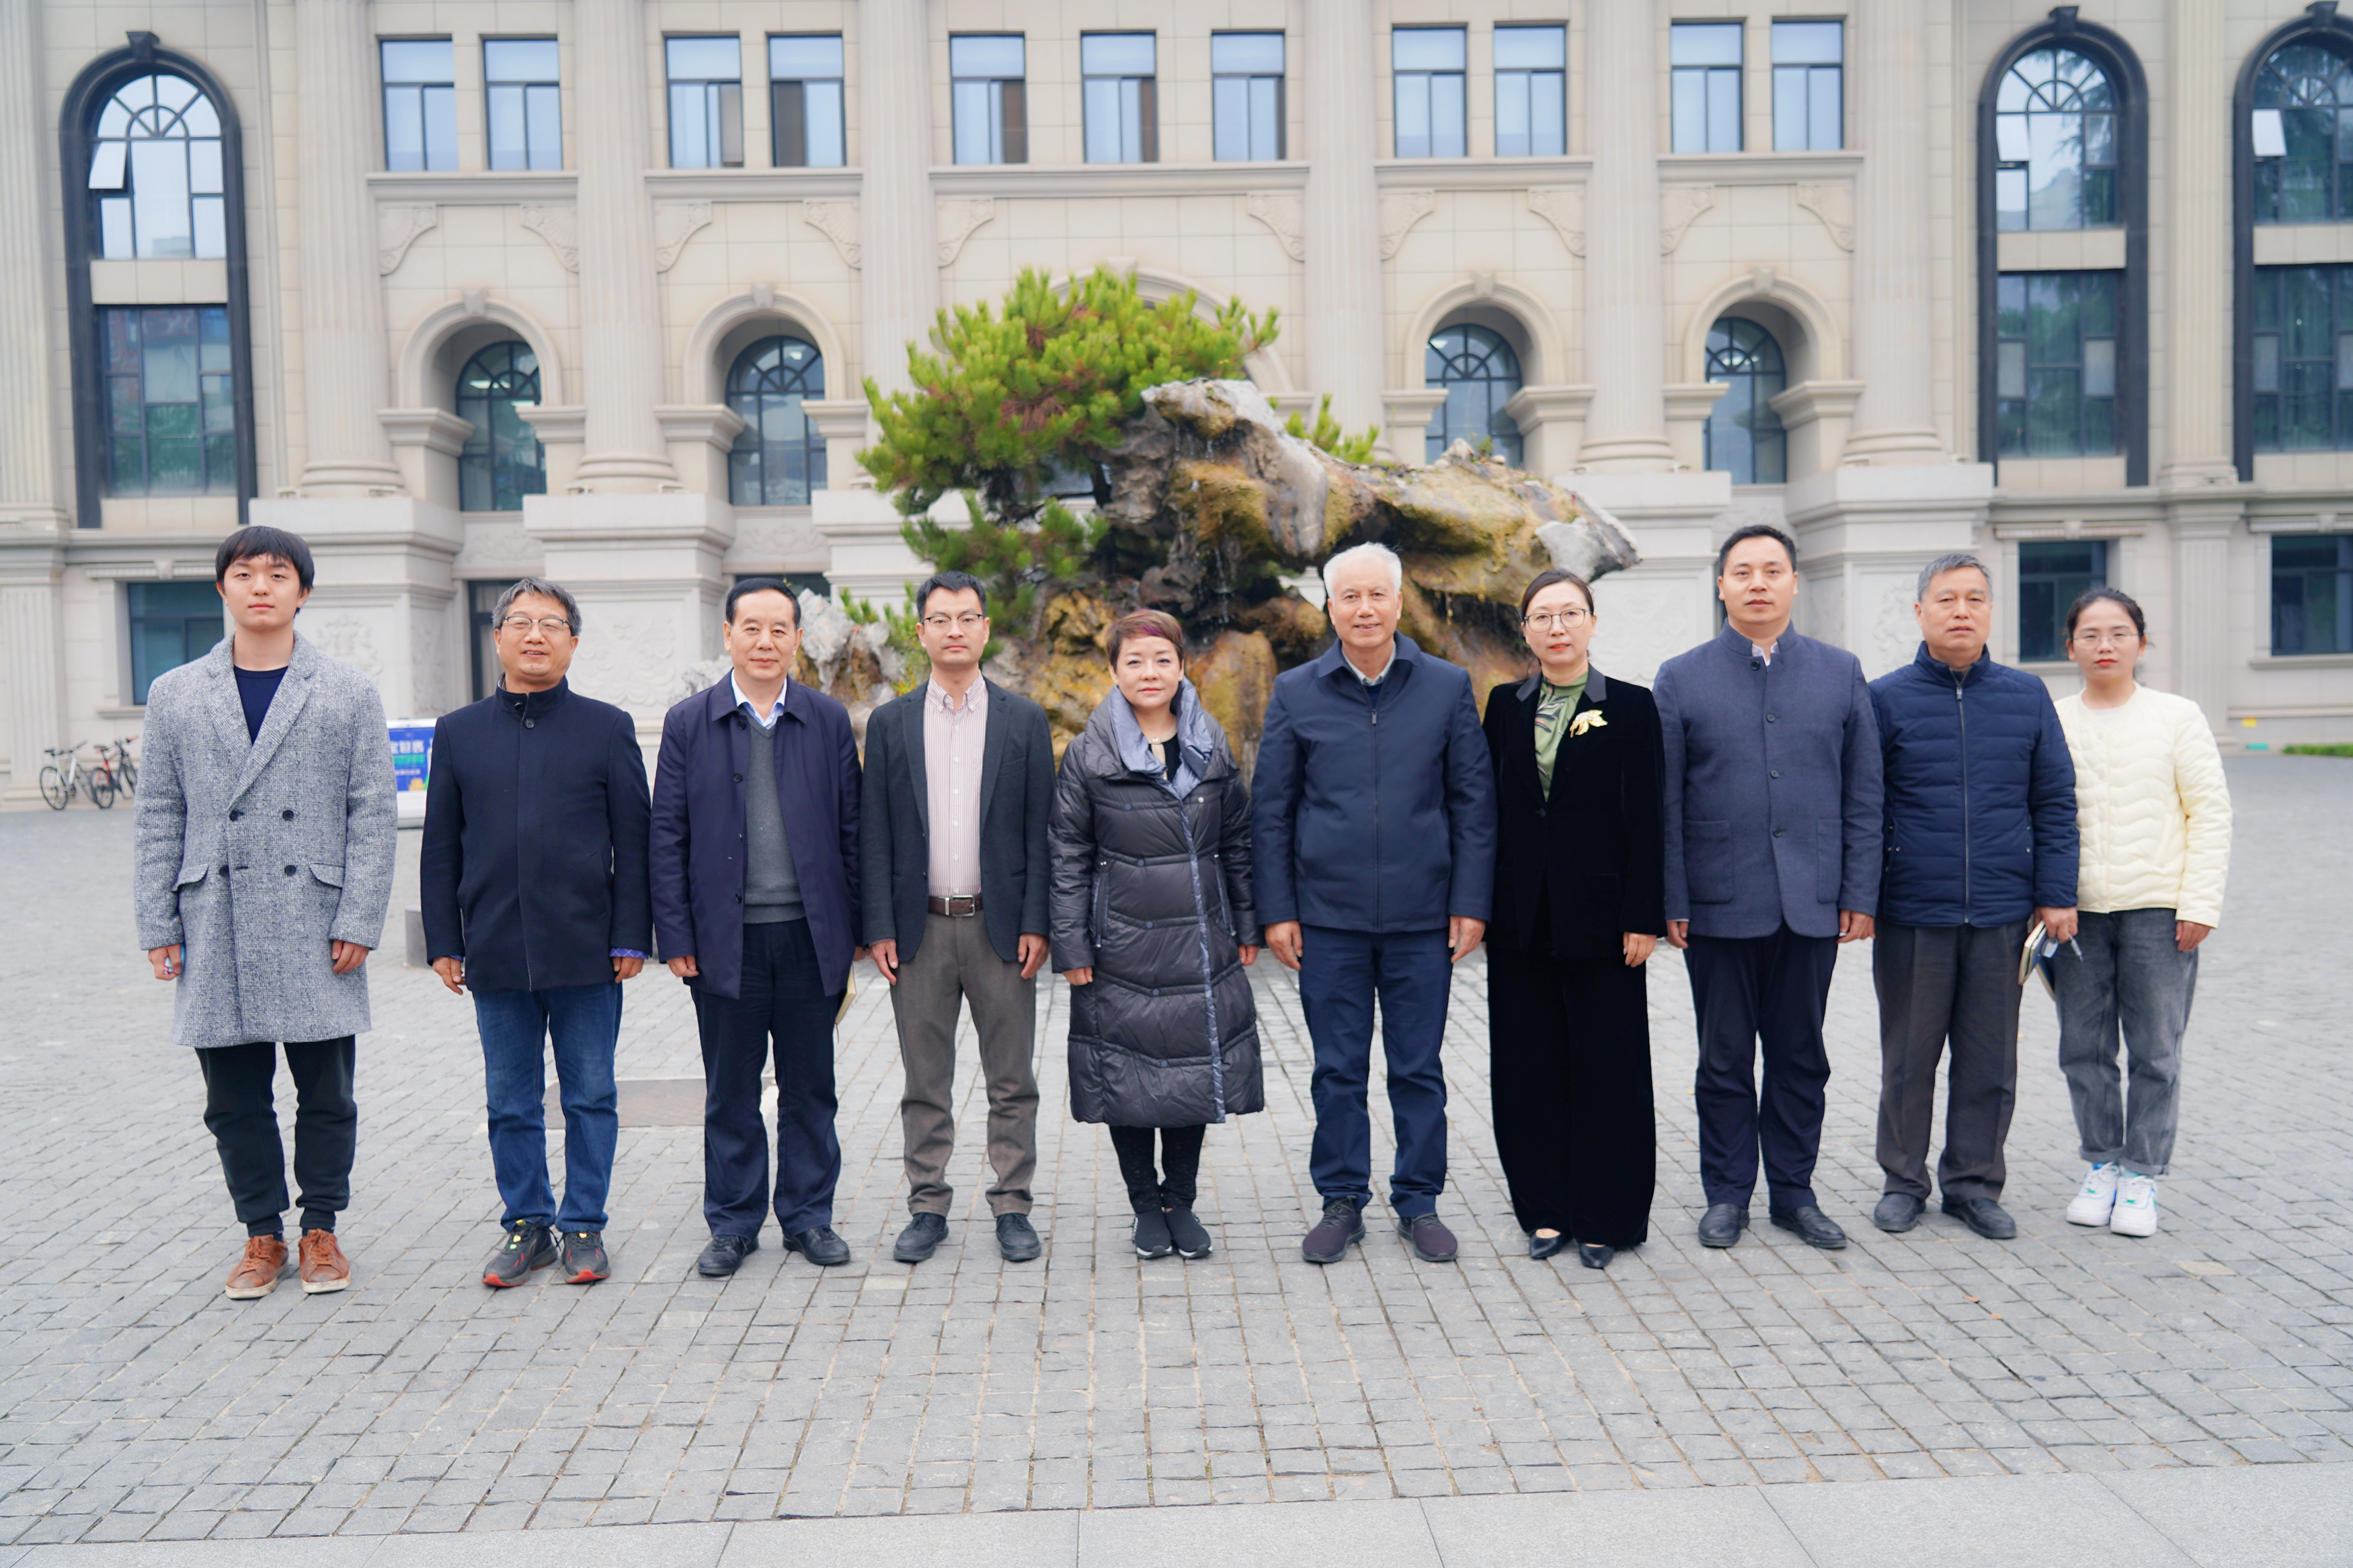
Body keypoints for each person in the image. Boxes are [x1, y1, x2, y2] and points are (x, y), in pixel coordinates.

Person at [133, 526, 395, 1299]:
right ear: (222, 587)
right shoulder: (177, 692)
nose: (260, 586)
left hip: (314, 913)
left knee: (327, 1092)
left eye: (277, 574)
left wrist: (359, 915)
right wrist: (158, 923)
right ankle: (261, 1231)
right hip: (216, 912)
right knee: (233, 1098)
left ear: (302, 592)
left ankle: (321, 1227)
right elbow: (158, 812)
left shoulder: (347, 689)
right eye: (244, 573)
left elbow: (372, 811)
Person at [1254, 541, 1497, 1266]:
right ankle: (1341, 1199)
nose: (1364, 609)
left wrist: (1470, 901)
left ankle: (1418, 1200)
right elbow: (1272, 809)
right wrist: (1277, 909)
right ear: (1329, 608)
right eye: (1349, 597)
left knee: (1417, 1066)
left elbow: (1473, 804)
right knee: (1337, 1067)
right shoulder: (1296, 691)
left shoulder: (1445, 686)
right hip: (1327, 919)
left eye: (1376, 595)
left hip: (1424, 918)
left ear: (1397, 602)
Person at [420, 577, 652, 1288]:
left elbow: (634, 841)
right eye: (519, 622)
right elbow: (441, 844)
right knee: (510, 1100)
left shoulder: (607, 727)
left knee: (590, 1094)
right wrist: (443, 940)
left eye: (551, 624)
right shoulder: (459, 732)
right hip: (494, 947)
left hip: (586, 949)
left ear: (572, 642)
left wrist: (630, 935)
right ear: (497, 638)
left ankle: (583, 1225)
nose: (535, 635)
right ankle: (527, 1224)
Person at [1658, 524, 1881, 1253]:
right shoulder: (1681, 676)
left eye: (1772, 570)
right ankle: (1727, 1194)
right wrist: (1672, 899)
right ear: (1720, 585)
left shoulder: (1839, 671)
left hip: (1811, 900)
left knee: (1799, 1054)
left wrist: (1859, 891)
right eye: (1743, 571)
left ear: (1793, 582)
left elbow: (1864, 793)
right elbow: (1664, 801)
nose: (1758, 582)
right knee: (1722, 1059)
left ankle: (1793, 1191)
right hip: (1718, 902)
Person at [652, 579, 863, 1277]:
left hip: (809, 936)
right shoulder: (689, 722)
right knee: (731, 1091)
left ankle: (808, 1217)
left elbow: (853, 829)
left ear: (798, 638)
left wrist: (859, 929)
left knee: (811, 1088)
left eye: (779, 629)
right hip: (725, 941)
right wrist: (676, 937)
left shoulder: (826, 719)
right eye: (752, 627)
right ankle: (734, 1223)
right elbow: (667, 835)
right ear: (727, 635)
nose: (765, 641)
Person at [1868, 553, 2078, 1241]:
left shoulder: (2025, 695)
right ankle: (1903, 1181)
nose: (1961, 611)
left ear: (1990, 610)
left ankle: (1973, 1184)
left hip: (2001, 912)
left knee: (1990, 1060)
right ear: (1919, 611)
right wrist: (1863, 898)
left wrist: (2055, 893)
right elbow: (1863, 806)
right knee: (1908, 1058)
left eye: (1975, 598)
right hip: (1912, 911)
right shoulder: (1884, 698)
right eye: (1946, 598)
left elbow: (2054, 800)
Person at [1050, 610, 1262, 1262]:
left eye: (1162, 659)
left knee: (1193, 1070)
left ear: (1181, 666)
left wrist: (1246, 922)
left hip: (1199, 936)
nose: (1150, 672)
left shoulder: (1209, 741)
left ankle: (1181, 1201)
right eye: (1135, 661)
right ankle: (1145, 1204)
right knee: (1127, 1075)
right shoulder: (1090, 753)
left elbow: (1237, 839)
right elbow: (1067, 854)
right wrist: (1072, 945)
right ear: (1113, 670)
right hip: (1119, 942)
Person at [861, 571, 1055, 1266]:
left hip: (999, 928)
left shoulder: (1022, 720)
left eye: (967, 617)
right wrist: (878, 927)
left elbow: (1041, 830)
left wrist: (1038, 921)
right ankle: (927, 1204)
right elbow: (875, 833)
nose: (954, 629)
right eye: (940, 618)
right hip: (917, 931)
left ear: (985, 628)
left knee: (1012, 1079)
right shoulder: (890, 723)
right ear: (920, 632)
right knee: (925, 1081)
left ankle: (1013, 1204)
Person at [1480, 569, 1665, 1270]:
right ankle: (1545, 1209)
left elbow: (1647, 816)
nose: (1556, 627)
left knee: (1609, 1068)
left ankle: (1606, 1215)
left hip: (1604, 918)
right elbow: (1491, 812)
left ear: (1591, 621)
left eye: (1569, 613)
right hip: (1520, 918)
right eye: (1542, 616)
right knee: (1527, 1066)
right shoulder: (1503, 705)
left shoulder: (1632, 706)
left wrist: (1643, 915)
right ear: (1525, 629)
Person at [2050, 588, 2229, 1239]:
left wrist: (2199, 902)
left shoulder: (2177, 716)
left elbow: (2209, 812)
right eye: (2090, 634)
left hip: (2159, 910)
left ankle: (2141, 1174)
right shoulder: (2053, 720)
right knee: (2083, 1048)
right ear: (2069, 646)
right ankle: (2101, 1162)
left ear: (2141, 643)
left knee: (2155, 1049)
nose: (2105, 645)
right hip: (2077, 913)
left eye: (2119, 633)